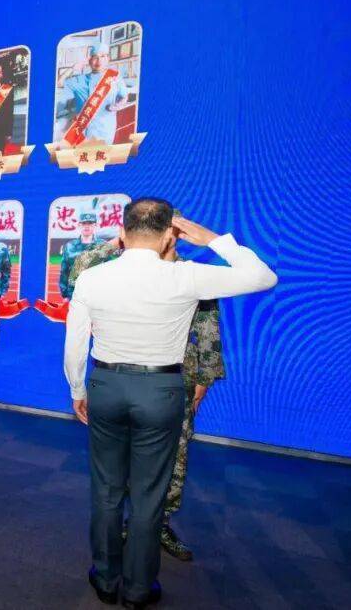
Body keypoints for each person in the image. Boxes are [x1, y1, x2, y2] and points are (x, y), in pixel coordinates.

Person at [64, 198, 276, 608]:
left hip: (106, 385)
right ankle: (138, 589)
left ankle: (106, 579)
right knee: (149, 495)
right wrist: (211, 238)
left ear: (122, 233)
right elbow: (263, 277)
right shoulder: (186, 276)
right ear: (168, 236)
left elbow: (75, 343)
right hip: (161, 392)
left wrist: (77, 389)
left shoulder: (91, 277)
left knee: (106, 490)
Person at [67, 231, 226, 563]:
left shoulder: (189, 274)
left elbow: (209, 326)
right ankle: (129, 523)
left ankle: (158, 523)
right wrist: (118, 241)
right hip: (125, 376)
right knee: (120, 459)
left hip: (177, 378)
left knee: (173, 459)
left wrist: (205, 376)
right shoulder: (120, 269)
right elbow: (77, 268)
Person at [57, 42, 130, 145]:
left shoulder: (115, 77)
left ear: (108, 59)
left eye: (103, 56)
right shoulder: (80, 80)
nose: (99, 61)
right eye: (95, 57)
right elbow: (59, 83)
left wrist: (118, 105)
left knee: (103, 153)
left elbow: (124, 97)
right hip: (83, 130)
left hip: (106, 128)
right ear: (89, 60)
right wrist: (73, 68)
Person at [59, 211, 102, 299]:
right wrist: (65, 294)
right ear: (79, 225)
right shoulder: (69, 246)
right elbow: (64, 271)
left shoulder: (103, 246)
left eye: (90, 223)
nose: (87, 226)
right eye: (84, 223)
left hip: (96, 294)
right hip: (74, 293)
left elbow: (109, 271)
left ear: (95, 225)